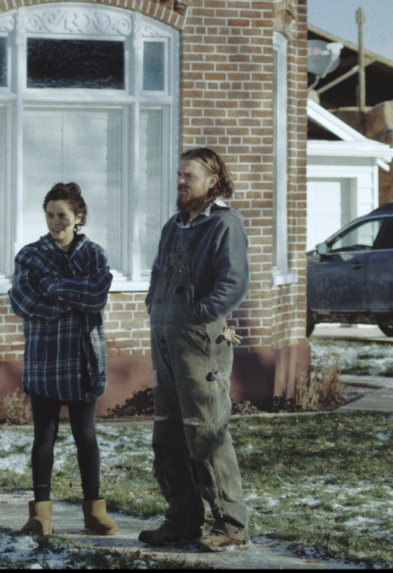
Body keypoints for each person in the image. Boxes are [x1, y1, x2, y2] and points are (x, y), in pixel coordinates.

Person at [139, 147, 251, 553]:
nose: (181, 181)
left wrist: (197, 314)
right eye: (179, 174)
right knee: (168, 435)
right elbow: (156, 273)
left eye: (190, 175)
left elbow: (233, 283)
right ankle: (182, 520)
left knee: (206, 432)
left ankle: (231, 526)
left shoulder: (224, 225)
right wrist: (156, 305)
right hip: (165, 340)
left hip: (200, 343)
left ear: (213, 181)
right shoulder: (175, 225)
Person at [8, 182, 119, 537]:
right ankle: (40, 514)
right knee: (45, 436)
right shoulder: (29, 255)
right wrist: (73, 292)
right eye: (50, 215)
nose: (56, 222)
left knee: (86, 436)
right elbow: (23, 303)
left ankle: (94, 512)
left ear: (79, 217)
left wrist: (52, 286)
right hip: (45, 359)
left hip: (84, 360)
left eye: (63, 216)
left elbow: (96, 296)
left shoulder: (94, 255)